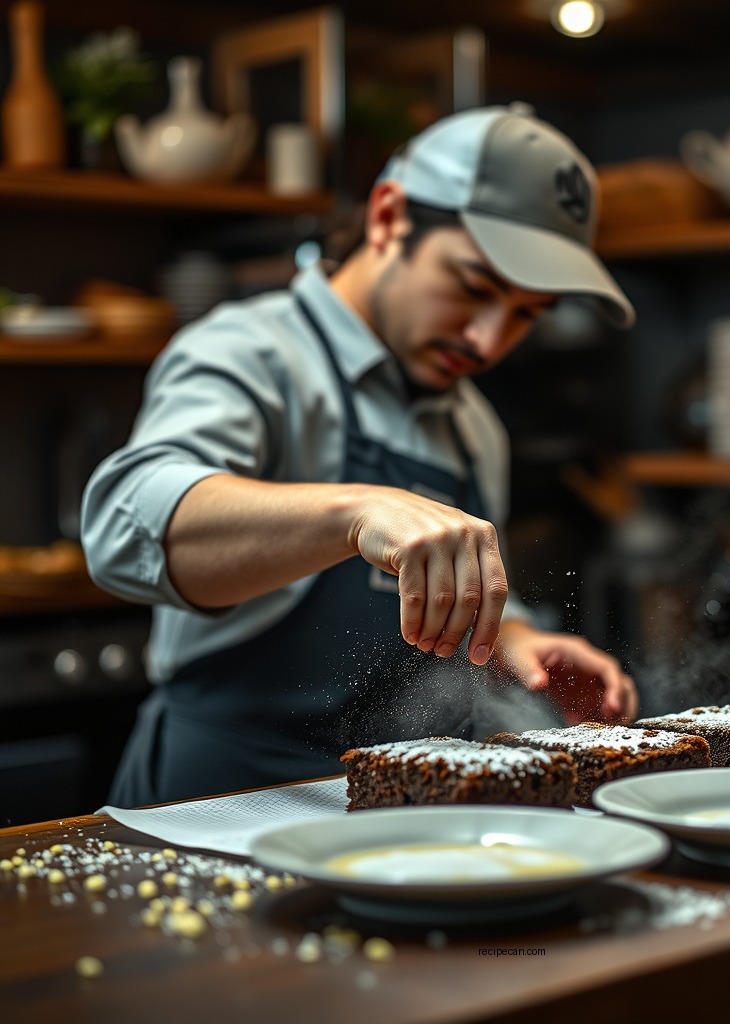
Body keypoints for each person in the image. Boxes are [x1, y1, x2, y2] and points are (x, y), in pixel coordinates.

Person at [81, 103, 640, 805]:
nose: (489, 339)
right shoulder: (251, 353)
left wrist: (514, 639)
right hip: (211, 803)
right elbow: (123, 522)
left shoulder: (473, 426)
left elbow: (453, 588)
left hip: (386, 815)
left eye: (527, 312)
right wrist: (357, 509)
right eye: (473, 285)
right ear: (387, 218)